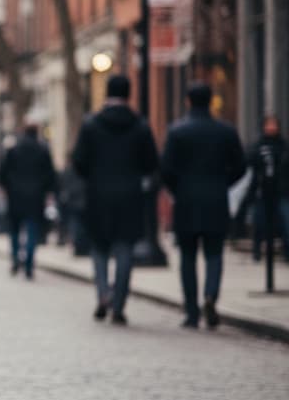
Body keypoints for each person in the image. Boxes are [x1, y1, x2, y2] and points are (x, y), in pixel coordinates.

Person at [71, 75, 159, 324]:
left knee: (99, 250)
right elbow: (152, 163)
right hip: (130, 197)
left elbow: (78, 162)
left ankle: (103, 294)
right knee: (124, 251)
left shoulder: (91, 125)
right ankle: (118, 304)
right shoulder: (140, 126)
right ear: (129, 93)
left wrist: (93, 177)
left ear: (107, 93)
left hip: (98, 196)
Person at [161, 84, 245, 329]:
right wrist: (223, 184)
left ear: (188, 101)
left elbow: (165, 169)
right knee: (214, 253)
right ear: (211, 101)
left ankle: (191, 311)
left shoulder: (177, 132)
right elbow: (240, 166)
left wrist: (178, 190)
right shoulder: (226, 131)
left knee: (187, 257)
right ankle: (210, 295)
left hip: (186, 201)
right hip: (216, 200)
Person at [0, 124, 55, 279]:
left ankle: (16, 258)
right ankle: (29, 263)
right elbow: (50, 175)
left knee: (15, 231)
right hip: (36, 197)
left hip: (15, 196)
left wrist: (5, 188)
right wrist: (48, 193)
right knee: (32, 231)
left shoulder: (13, 150)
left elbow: (3, 172)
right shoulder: (43, 151)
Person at [246, 114, 289, 263]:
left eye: (274, 124)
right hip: (262, 190)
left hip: (282, 191)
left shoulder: (283, 145)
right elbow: (249, 161)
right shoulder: (258, 145)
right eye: (268, 124)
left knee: (285, 221)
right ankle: (257, 250)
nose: (271, 127)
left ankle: (286, 251)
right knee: (260, 222)